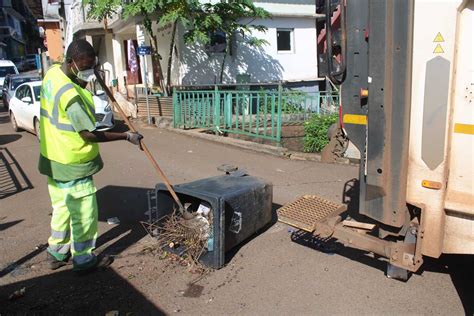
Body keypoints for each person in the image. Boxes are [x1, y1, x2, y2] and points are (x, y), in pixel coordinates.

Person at [38, 39, 143, 273]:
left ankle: (56, 252)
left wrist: (88, 77)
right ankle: (83, 259)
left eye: (92, 66)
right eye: (85, 67)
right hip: (73, 160)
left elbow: (73, 83)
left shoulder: (53, 74)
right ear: (71, 63)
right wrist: (125, 136)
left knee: (62, 208)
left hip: (53, 159)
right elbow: (88, 135)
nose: (89, 71)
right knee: (84, 213)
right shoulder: (71, 96)